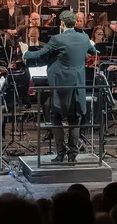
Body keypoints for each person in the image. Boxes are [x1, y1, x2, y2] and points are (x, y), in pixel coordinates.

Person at [23, 9, 91, 163]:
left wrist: (25, 53)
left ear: (61, 23)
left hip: (61, 85)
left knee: (57, 118)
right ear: (74, 22)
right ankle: (73, 155)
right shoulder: (84, 37)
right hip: (77, 85)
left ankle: (60, 153)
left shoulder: (57, 39)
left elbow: (39, 54)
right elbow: (92, 50)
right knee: (74, 120)